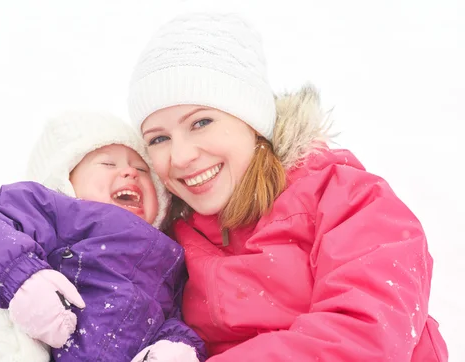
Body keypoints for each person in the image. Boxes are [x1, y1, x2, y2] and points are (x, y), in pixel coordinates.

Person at [127, 12, 449, 361]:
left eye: (201, 122)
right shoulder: (169, 240)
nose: (181, 155)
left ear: (253, 121)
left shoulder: (350, 200)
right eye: (159, 138)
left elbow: (365, 335)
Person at [0, 112, 206, 362]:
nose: (131, 172)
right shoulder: (51, 210)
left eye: (142, 169)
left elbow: (174, 314)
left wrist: (176, 345)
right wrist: (20, 279)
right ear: (65, 178)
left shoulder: (168, 253)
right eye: (108, 164)